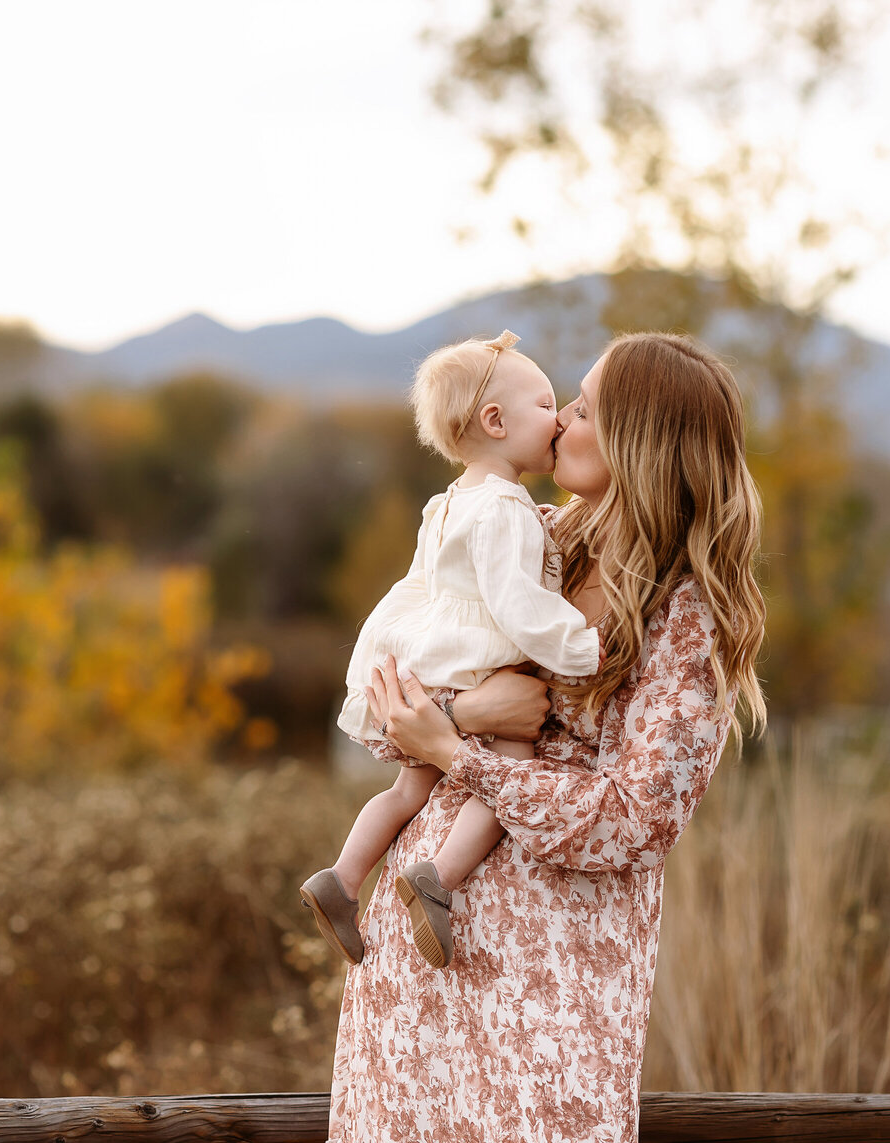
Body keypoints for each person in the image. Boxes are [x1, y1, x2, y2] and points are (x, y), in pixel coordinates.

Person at [329, 332, 768, 1143]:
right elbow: (396, 708)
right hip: (426, 951)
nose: (561, 420)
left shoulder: (686, 616)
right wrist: (459, 725)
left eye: (584, 407)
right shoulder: (530, 538)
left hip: (552, 975)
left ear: (638, 440)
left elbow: (635, 821)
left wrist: (458, 753)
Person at [300, 331, 600, 971]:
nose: (561, 418)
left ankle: (344, 878)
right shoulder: (505, 508)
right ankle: (439, 877)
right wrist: (581, 648)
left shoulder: (448, 502)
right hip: (474, 662)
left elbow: (415, 587)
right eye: (548, 404)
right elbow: (519, 604)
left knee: (410, 789)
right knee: (512, 763)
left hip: (430, 658)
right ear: (496, 421)